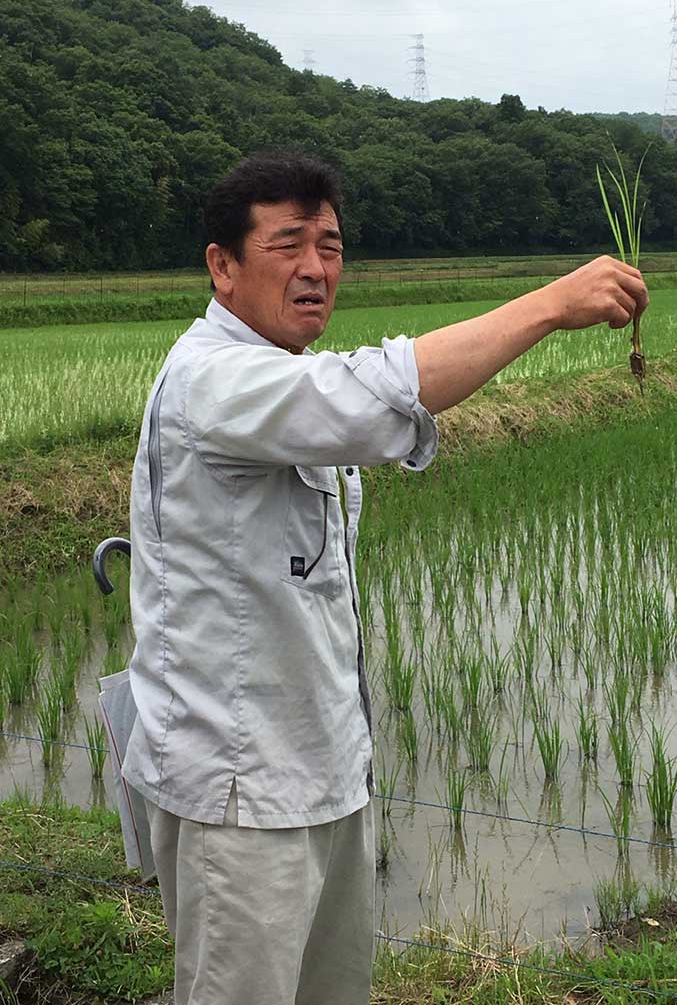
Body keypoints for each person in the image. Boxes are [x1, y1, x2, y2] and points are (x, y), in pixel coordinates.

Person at [121, 150, 647, 1005]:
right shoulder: (212, 380)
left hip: (326, 768)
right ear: (221, 266)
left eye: (329, 246)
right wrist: (550, 305)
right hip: (239, 790)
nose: (315, 269)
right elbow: (370, 400)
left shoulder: (277, 377)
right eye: (287, 245)